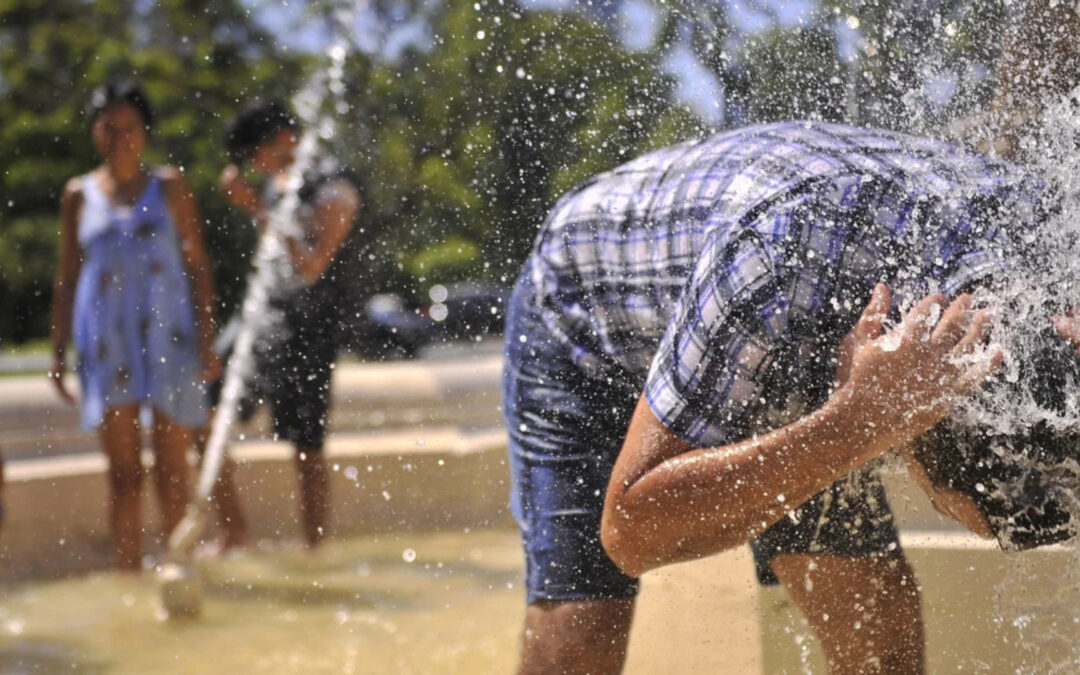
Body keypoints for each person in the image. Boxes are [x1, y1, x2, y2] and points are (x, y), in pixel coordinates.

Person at [501, 119, 1080, 674]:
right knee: (587, 620)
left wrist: (854, 421)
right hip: (588, 307)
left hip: (782, 313)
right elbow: (629, 532)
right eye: (934, 497)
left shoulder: (1059, 250)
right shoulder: (777, 261)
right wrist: (855, 421)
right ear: (921, 421)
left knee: (876, 627)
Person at [49, 81, 220, 570]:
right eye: (108, 127)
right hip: (107, 344)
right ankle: (127, 578)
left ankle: (177, 573)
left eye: (129, 128)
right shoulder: (78, 195)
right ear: (93, 131)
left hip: (170, 338)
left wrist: (207, 339)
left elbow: (198, 266)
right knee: (124, 476)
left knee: (172, 471)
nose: (118, 137)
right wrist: (58, 350)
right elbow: (67, 275)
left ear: (144, 134)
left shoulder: (170, 187)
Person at [204, 100, 361, 549]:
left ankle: (315, 549)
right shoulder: (278, 187)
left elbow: (312, 266)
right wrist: (260, 205)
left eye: (257, 153)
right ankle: (234, 530)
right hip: (264, 317)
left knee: (307, 446)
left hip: (311, 329)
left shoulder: (335, 188)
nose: (256, 165)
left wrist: (256, 206)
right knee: (204, 406)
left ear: (285, 139)